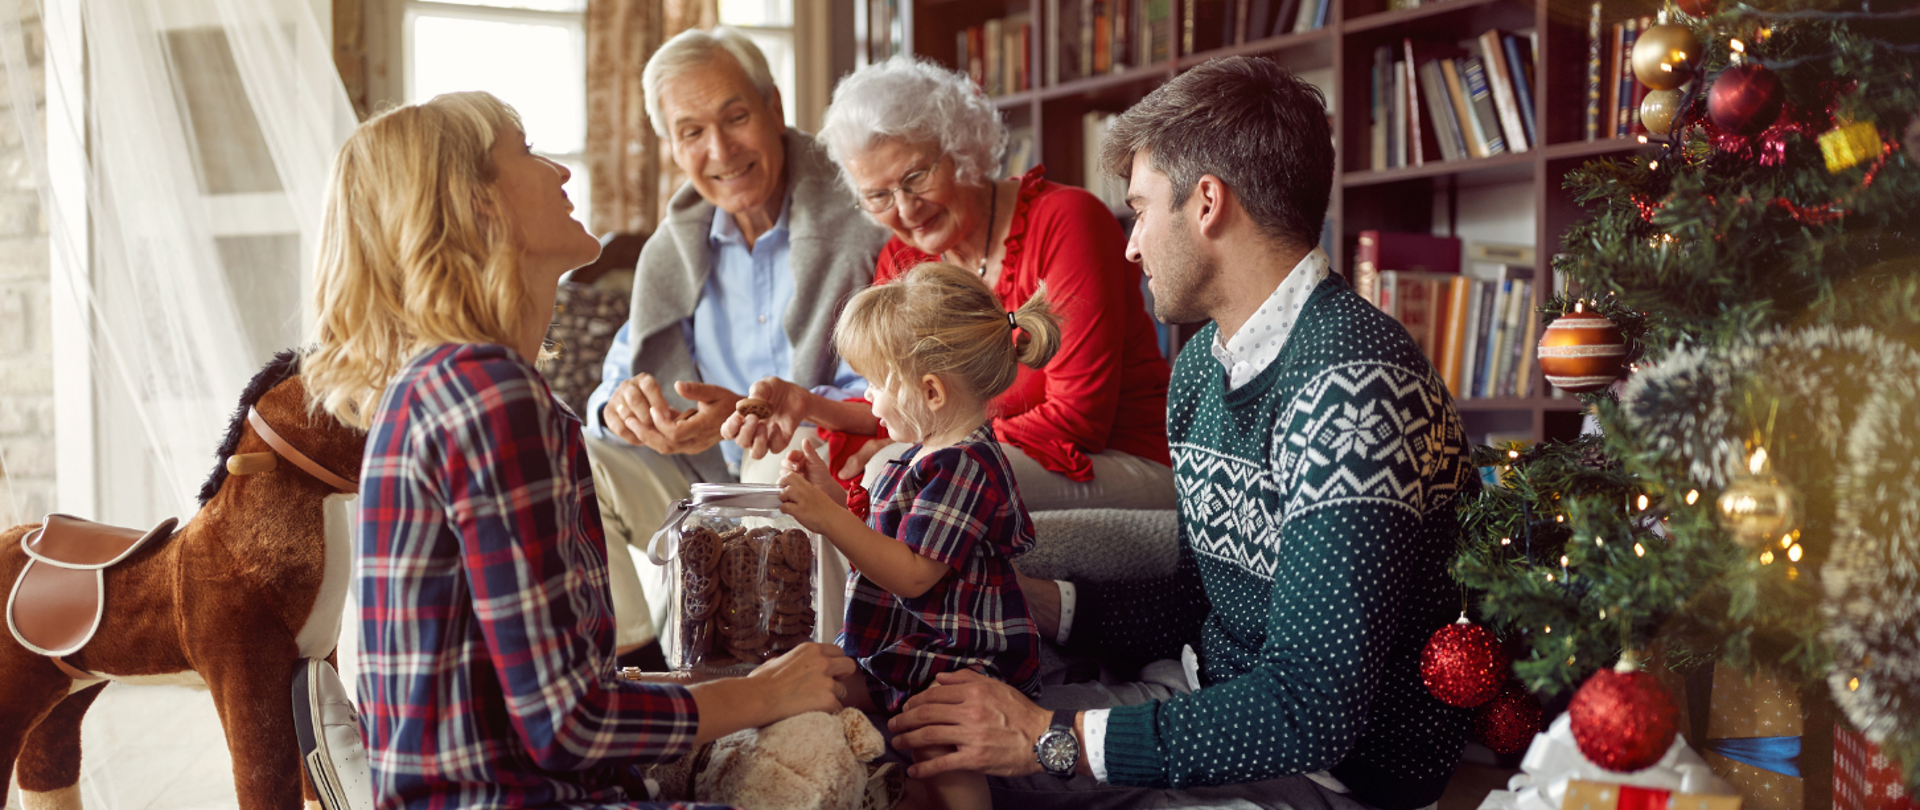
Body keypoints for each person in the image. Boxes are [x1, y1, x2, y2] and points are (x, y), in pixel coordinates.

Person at [885, 57, 1474, 810]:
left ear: (1206, 204)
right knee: (920, 748)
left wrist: (1045, 739)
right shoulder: (1202, 365)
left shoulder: (1351, 385)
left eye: (1139, 208)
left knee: (966, 779)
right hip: (1198, 695)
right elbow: (1210, 598)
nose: (1130, 246)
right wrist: (1040, 601)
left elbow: (1312, 708)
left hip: (1330, 776)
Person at [302, 91, 855, 810]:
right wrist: (758, 694)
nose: (561, 172)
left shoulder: (445, 382)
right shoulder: (490, 395)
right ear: (478, 206)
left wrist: (746, 685)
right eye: (526, 152)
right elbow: (572, 726)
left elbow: (557, 697)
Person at [728, 55, 1175, 512]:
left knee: (903, 476)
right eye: (879, 195)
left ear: (961, 147)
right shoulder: (904, 259)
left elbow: (1076, 421)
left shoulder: (1066, 221)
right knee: (784, 462)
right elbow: (901, 404)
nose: (904, 209)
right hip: (983, 450)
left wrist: (911, 453)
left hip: (1114, 461)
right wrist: (807, 405)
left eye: (915, 177)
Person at [581, 28, 890, 659]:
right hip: (697, 487)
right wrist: (624, 408)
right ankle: (643, 675)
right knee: (576, 459)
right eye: (692, 131)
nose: (719, 149)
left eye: (736, 116)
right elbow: (616, 380)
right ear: (672, 146)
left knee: (785, 454)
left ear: (775, 109)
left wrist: (758, 415)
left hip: (806, 467)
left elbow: (894, 383)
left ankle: (794, 679)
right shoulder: (676, 246)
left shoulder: (860, 217)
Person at [775, 261, 1059, 810]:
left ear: (930, 391)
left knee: (943, 750)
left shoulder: (966, 465)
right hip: (899, 643)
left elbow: (911, 573)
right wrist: (832, 497)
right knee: (819, 685)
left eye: (876, 384)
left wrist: (827, 519)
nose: (870, 400)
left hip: (952, 657)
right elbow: (884, 540)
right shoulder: (920, 455)